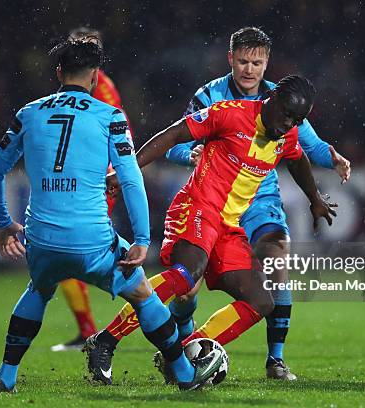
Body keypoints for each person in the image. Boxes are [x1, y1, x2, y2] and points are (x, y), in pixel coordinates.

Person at [94, 27, 351, 381]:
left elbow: (297, 157)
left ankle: (188, 351)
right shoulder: (225, 110)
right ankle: (106, 340)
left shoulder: (285, 128)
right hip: (198, 207)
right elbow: (173, 135)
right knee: (187, 278)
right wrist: (128, 171)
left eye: (295, 121)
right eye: (243, 60)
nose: (288, 126)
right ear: (271, 101)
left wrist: (315, 199)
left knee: (263, 301)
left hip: (231, 222)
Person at [0, 37, 222, 392]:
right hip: (93, 241)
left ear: (59, 72)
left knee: (39, 288)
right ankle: (186, 375)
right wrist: (142, 239)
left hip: (42, 240)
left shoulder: (28, 114)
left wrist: (4, 224)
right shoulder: (110, 116)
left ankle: (5, 376)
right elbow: (129, 178)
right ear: (95, 76)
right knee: (144, 295)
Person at [51, 26, 134, 353]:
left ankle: (148, 301)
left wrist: (113, 173)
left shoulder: (104, 90)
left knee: (75, 254)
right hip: (79, 181)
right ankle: (91, 328)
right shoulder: (74, 90)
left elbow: (119, 129)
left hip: (96, 183)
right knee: (69, 256)